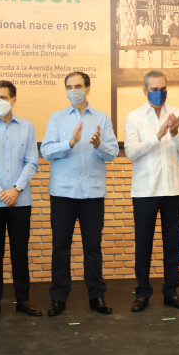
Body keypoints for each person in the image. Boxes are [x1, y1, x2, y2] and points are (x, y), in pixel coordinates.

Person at [41, 72, 119, 317]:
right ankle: (58, 298)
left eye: (78, 86)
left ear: (88, 88)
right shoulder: (57, 118)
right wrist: (70, 143)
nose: (73, 91)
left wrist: (99, 145)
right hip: (62, 193)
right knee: (60, 247)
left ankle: (97, 297)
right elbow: (46, 152)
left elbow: (112, 154)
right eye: (69, 87)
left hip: (92, 194)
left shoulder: (102, 118)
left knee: (93, 247)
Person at [124, 70, 179, 312]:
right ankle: (142, 293)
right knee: (143, 244)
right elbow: (131, 152)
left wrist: (174, 134)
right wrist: (158, 136)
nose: (159, 93)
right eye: (154, 89)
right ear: (145, 90)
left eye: (163, 89)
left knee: (173, 244)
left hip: (174, 189)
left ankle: (171, 291)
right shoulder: (134, 117)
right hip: (145, 190)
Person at [0, 80, 41, 320]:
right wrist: (0, 192)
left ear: (13, 99)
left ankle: (23, 300)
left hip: (20, 200)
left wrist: (16, 189)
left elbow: (32, 161)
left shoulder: (27, 127)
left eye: (2, 97)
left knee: (20, 252)